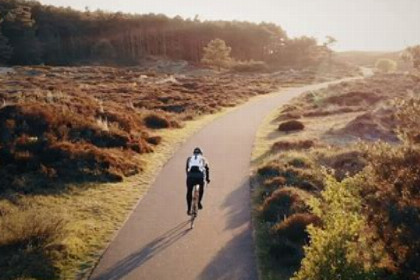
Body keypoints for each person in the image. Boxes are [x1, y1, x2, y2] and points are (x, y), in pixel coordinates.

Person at [185, 147, 210, 215]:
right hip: (200, 178)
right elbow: (207, 169)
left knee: (189, 191)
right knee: (201, 189)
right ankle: (198, 202)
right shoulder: (204, 159)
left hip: (190, 178)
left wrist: (188, 176)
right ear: (201, 153)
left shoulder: (189, 158)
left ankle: (189, 209)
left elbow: (187, 169)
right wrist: (207, 179)